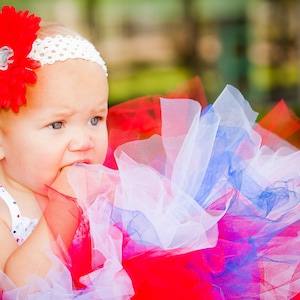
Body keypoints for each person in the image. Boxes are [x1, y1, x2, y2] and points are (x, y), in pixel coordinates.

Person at [0, 5, 300, 300]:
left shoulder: (102, 183)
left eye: (95, 119)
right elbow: (18, 285)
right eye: (57, 125)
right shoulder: (5, 208)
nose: (83, 140)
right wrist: (65, 204)